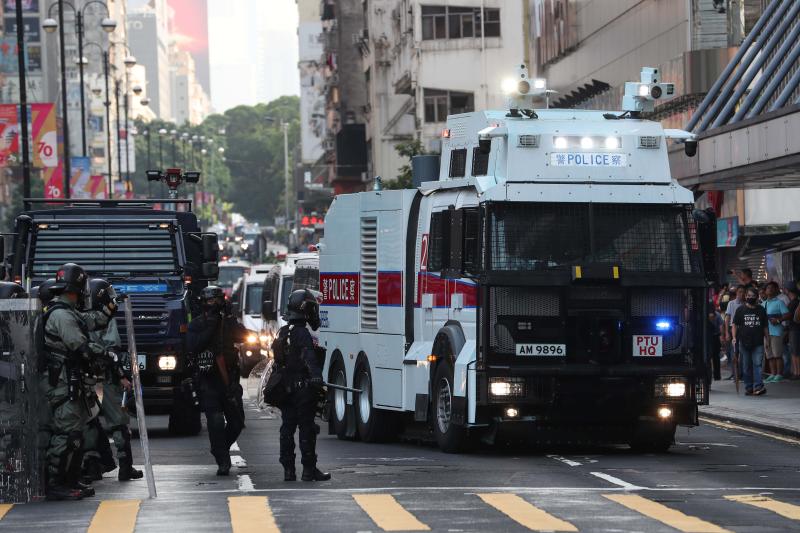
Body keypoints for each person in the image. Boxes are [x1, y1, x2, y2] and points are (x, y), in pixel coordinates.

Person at [42, 263, 116, 500]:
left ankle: (71, 479)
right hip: (62, 382)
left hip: (70, 381)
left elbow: (90, 320)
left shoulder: (68, 311)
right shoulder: (61, 315)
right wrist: (105, 354)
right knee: (67, 434)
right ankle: (56, 484)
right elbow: (80, 346)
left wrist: (109, 308)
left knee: (77, 434)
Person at [81, 279, 143, 482]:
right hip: (105, 377)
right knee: (118, 422)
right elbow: (112, 350)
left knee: (88, 421)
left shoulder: (77, 316)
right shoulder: (104, 320)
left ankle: (91, 466)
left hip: (84, 378)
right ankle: (125, 466)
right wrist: (121, 376)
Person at [188, 285, 248, 475]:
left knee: (237, 422)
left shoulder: (227, 322)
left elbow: (243, 335)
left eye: (216, 301)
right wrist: (211, 325)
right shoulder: (197, 324)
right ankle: (223, 460)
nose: (213, 305)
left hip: (229, 379)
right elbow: (193, 346)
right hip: (208, 380)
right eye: (209, 301)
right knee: (214, 422)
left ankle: (219, 448)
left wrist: (229, 318)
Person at [276, 289, 330, 482]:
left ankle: (288, 470)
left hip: (286, 390)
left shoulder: (283, 333)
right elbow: (309, 359)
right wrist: (317, 378)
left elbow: (278, 362)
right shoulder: (302, 334)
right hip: (302, 389)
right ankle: (309, 470)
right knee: (306, 428)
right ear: (305, 309)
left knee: (287, 428)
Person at [732, 287, 769, 396]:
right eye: (749, 296)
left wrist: (768, 339)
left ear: (757, 297)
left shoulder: (761, 310)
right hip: (744, 342)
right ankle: (749, 387)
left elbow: (765, 326)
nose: (750, 298)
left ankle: (758, 386)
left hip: (758, 342)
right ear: (746, 297)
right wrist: (734, 337)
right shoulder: (740, 310)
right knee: (746, 365)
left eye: (753, 296)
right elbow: (734, 324)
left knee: (757, 364)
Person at [763, 281, 791, 383]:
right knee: (769, 355)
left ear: (776, 290)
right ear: (765, 291)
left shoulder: (779, 302)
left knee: (777, 354)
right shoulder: (763, 303)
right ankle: (773, 374)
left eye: (772, 288)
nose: (770, 289)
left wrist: (778, 320)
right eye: (768, 288)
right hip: (766, 333)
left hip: (776, 332)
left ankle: (779, 374)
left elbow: (788, 315)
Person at [722, 286, 745, 379]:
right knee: (732, 352)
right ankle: (734, 373)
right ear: (736, 293)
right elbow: (727, 318)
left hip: (744, 329)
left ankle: (742, 373)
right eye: (740, 292)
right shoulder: (731, 303)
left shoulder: (747, 304)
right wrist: (727, 332)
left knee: (742, 352)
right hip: (733, 329)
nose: (742, 294)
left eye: (743, 292)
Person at [788, 288, 800, 379]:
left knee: (795, 351)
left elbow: (791, 317)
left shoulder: (794, 303)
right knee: (794, 351)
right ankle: (796, 372)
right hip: (793, 329)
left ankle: (797, 372)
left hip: (795, 329)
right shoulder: (795, 302)